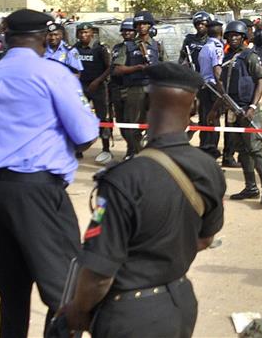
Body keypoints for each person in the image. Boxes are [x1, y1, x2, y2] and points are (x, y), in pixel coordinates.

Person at [57, 62, 225, 337]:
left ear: (147, 101)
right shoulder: (209, 168)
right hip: (180, 302)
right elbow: (206, 238)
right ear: (193, 107)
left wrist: (76, 311)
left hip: (131, 315)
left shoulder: (123, 179)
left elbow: (99, 273)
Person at [0, 9, 99, 337]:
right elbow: (85, 134)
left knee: (12, 294)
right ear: (43, 36)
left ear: (6, 38)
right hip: (34, 189)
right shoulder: (53, 74)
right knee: (66, 290)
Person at [209, 20, 262, 206]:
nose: (233, 38)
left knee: (255, 150)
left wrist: (253, 107)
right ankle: (250, 187)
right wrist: (215, 109)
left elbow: (260, 81)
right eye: (229, 36)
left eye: (236, 35)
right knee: (242, 151)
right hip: (232, 110)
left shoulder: (250, 56)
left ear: (244, 37)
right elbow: (224, 88)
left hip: (247, 110)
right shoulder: (227, 57)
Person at [113, 10, 164, 159]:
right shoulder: (127, 46)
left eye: (145, 24)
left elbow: (164, 65)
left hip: (154, 88)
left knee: (156, 124)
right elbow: (117, 69)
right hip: (135, 89)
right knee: (132, 124)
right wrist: (137, 68)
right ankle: (135, 151)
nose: (142, 27)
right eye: (139, 24)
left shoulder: (157, 46)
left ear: (150, 26)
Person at [74, 22, 113, 163]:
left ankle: (106, 148)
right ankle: (78, 148)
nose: (83, 35)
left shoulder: (100, 48)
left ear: (92, 34)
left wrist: (97, 81)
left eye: (86, 33)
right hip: (82, 88)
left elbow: (110, 67)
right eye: (81, 33)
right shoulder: (75, 49)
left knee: (103, 118)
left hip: (98, 88)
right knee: (78, 117)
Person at [195, 20, 226, 159]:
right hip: (213, 87)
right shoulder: (217, 47)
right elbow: (217, 70)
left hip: (204, 86)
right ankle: (211, 152)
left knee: (205, 119)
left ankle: (205, 148)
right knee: (213, 120)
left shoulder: (205, 46)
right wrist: (222, 91)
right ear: (221, 32)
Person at [108, 18, 135, 154]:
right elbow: (113, 68)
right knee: (121, 123)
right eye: (124, 31)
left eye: (130, 31)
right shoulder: (117, 48)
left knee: (133, 122)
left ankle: (133, 150)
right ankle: (131, 148)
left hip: (134, 89)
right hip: (117, 89)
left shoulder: (139, 48)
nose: (126, 33)